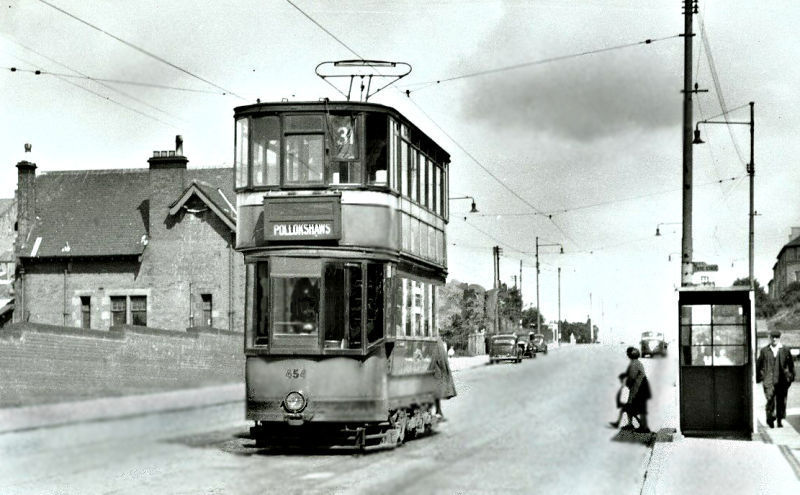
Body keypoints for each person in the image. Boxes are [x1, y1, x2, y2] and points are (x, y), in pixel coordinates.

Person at [756, 330, 796, 428]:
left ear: (779, 338)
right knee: (770, 400)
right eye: (772, 337)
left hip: (782, 380)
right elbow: (758, 365)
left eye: (776, 337)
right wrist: (759, 377)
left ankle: (779, 420)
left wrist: (790, 377)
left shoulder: (785, 350)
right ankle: (770, 418)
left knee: (781, 401)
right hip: (768, 380)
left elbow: (791, 365)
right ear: (770, 338)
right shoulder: (764, 350)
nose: (774, 339)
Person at [622, 346, 651, 433]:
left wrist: (627, 383)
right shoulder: (638, 362)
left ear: (630, 354)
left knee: (631, 406)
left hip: (638, 387)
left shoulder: (633, 364)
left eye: (628, 353)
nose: (627, 354)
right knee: (638, 407)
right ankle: (636, 424)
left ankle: (642, 426)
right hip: (642, 386)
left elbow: (632, 377)